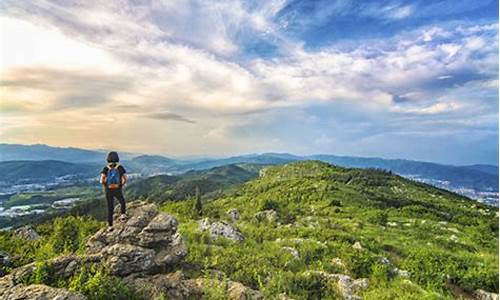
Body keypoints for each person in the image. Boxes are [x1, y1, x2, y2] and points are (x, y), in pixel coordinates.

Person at [99, 151, 128, 227]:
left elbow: (101, 180)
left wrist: (106, 185)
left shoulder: (106, 168)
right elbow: (125, 179)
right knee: (122, 201)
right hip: (117, 189)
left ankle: (110, 226)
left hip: (108, 190)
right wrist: (120, 185)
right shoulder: (120, 167)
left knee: (110, 208)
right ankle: (123, 215)